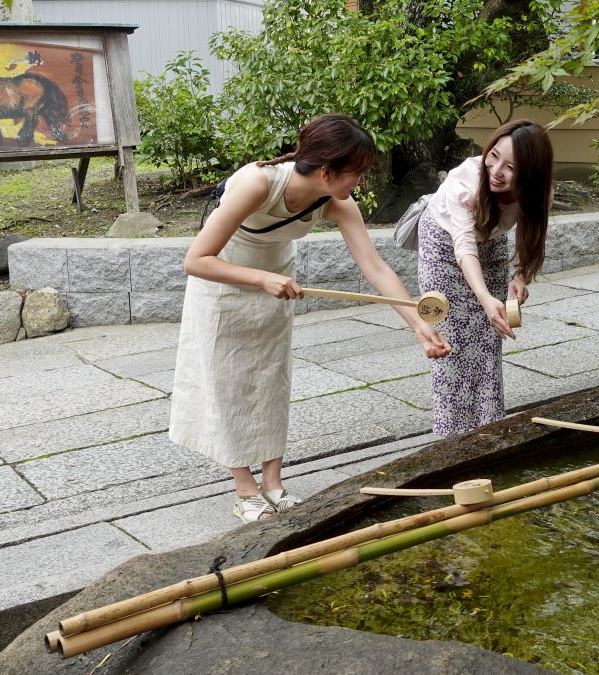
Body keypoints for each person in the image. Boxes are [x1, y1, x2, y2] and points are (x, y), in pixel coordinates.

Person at [170, 113, 451, 523]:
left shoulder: (335, 201)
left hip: (277, 281)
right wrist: (262, 278)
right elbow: (195, 260)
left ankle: (274, 484)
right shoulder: (258, 183)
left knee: (270, 377)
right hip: (225, 282)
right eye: (357, 173)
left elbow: (374, 268)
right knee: (229, 382)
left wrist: (418, 326)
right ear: (325, 171)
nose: (360, 181)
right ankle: (245, 491)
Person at [417, 119, 554, 435]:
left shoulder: (537, 191)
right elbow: (463, 243)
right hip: (443, 245)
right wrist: (484, 297)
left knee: (488, 339)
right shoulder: (463, 180)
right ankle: (450, 441)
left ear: (530, 174)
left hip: (490, 243)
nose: (496, 171)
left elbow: (531, 234)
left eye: (511, 167)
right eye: (494, 156)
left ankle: (488, 432)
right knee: (451, 342)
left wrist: (520, 278)